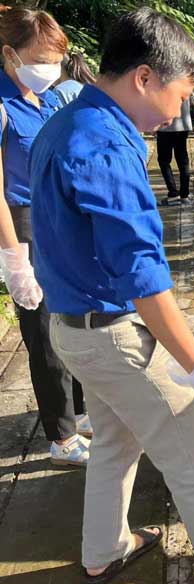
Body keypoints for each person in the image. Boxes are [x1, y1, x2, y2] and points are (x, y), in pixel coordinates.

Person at [29, 9, 194, 584]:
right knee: (193, 448)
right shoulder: (103, 146)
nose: (180, 112)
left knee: (116, 442)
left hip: (72, 328)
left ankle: (104, 550)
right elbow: (144, 279)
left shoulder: (67, 120)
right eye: (181, 94)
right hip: (111, 333)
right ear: (145, 78)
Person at [0, 6, 91, 466]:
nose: (50, 69)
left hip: (59, 219)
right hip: (22, 225)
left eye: (56, 59)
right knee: (45, 333)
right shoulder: (0, 104)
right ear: (10, 55)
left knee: (74, 318)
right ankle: (61, 435)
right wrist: (14, 259)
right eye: (41, 59)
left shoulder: (49, 98)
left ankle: (79, 409)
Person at [156, 98, 192, 205]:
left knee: (164, 161)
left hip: (166, 126)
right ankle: (184, 195)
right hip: (183, 125)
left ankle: (173, 193)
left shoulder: (161, 81)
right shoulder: (185, 81)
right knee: (183, 161)